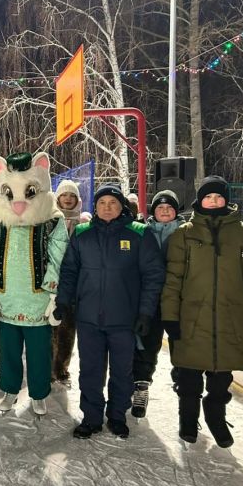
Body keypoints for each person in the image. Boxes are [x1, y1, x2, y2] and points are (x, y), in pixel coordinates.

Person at [161, 176, 243, 447]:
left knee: (221, 379)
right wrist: (170, 315)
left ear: (226, 200)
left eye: (219, 197)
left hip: (228, 317)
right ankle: (187, 420)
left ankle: (215, 416)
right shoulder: (184, 234)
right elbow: (173, 279)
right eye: (209, 197)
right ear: (200, 200)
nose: (214, 201)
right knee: (188, 377)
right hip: (191, 318)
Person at [56, 184, 165, 439]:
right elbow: (69, 271)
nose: (107, 208)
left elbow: (153, 276)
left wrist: (145, 313)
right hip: (89, 318)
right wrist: (63, 301)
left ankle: (117, 416)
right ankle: (92, 418)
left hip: (124, 319)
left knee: (121, 371)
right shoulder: (83, 233)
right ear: (95, 206)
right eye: (102, 203)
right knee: (91, 371)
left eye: (113, 203)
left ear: (121, 206)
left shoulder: (139, 233)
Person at [131, 189, 185, 418]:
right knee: (146, 344)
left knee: (182, 346)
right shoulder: (142, 232)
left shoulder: (186, 233)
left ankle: (186, 392)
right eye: (160, 207)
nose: (164, 211)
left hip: (179, 301)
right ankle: (141, 387)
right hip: (149, 300)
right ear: (153, 210)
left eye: (169, 208)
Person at [51, 179, 83, 387]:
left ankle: (61, 368)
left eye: (72, 195)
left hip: (75, 284)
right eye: (64, 195)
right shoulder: (51, 221)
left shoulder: (84, 223)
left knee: (67, 329)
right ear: (58, 198)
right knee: (50, 328)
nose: (68, 199)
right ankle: (46, 367)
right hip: (53, 281)